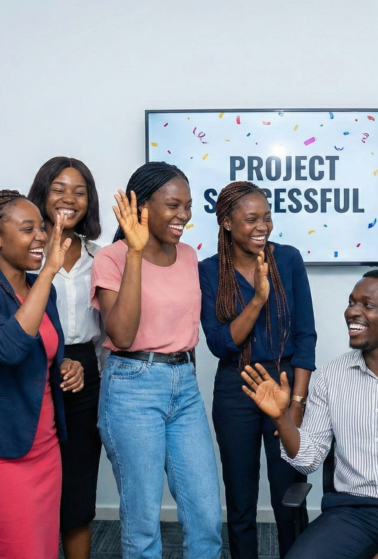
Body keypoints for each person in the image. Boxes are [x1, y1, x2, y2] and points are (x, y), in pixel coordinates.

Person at [243, 269, 378, 559]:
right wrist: (282, 418)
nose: (353, 313)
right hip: (350, 512)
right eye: (351, 303)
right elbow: (308, 461)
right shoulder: (329, 376)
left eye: (367, 305)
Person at [91, 162, 222, 559]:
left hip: (183, 385)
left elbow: (187, 330)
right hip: (132, 386)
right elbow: (123, 335)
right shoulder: (111, 258)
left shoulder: (187, 255)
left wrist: (186, 377)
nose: (183, 215)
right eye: (172, 205)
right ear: (140, 206)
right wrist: (134, 252)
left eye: (188, 206)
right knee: (143, 518)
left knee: (206, 513)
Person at [0, 190, 84, 559]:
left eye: (42, 228)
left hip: (46, 448)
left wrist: (65, 364)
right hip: (1, 456)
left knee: (44, 552)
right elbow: (8, 348)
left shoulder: (44, 292)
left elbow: (44, 350)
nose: (41, 238)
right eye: (28, 229)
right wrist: (47, 275)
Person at [199, 181, 316, 559]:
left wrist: (296, 404)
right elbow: (219, 343)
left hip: (284, 382)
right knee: (240, 494)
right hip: (237, 386)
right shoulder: (209, 271)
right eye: (251, 219)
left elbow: (305, 336)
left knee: (289, 495)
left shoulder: (288, 259)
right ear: (227, 222)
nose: (262, 226)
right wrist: (259, 299)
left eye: (266, 217)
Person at [26, 156, 104, 559]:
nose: (69, 198)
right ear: (42, 193)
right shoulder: (23, 251)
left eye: (79, 191)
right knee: (34, 483)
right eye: (58, 189)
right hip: (33, 368)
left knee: (77, 482)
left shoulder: (101, 257)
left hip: (86, 372)